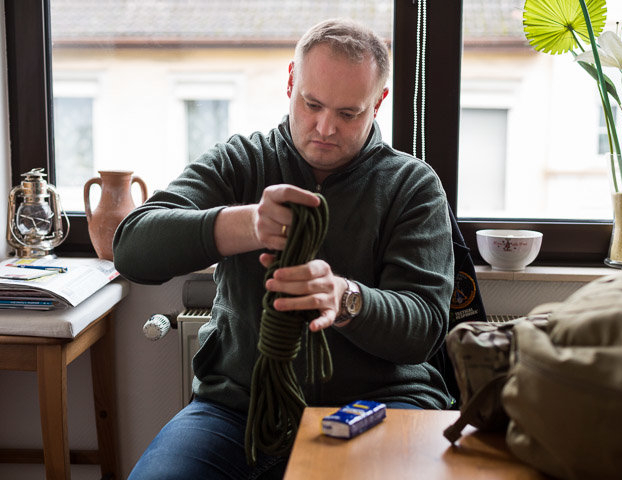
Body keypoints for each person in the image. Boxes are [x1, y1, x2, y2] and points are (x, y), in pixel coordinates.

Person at [114, 18, 454, 480]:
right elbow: (132, 249)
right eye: (311, 103)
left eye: (349, 113)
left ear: (379, 102)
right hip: (237, 410)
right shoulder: (241, 161)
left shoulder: (411, 185)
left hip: (381, 403)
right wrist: (248, 223)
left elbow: (425, 329)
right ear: (290, 81)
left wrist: (346, 298)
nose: (325, 127)